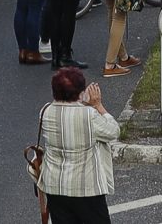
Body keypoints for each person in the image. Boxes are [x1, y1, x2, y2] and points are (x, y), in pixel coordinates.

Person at [36, 64, 122, 223]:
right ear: (80, 92)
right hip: (86, 189)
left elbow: (67, 113)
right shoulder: (89, 115)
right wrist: (98, 105)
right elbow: (113, 131)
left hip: (55, 187)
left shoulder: (45, 111)